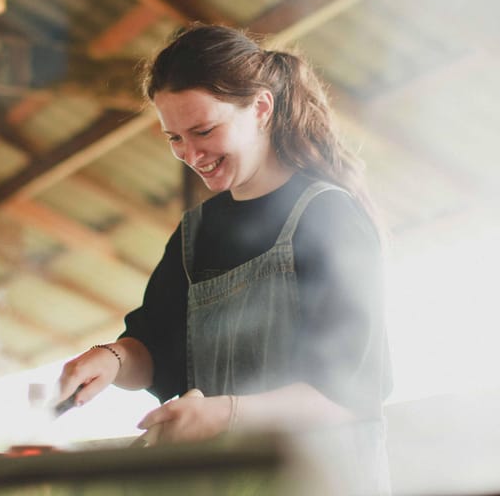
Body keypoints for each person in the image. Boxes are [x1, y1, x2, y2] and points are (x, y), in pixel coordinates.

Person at [56, 24, 391, 465]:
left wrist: (227, 414)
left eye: (204, 130)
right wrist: (112, 359)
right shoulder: (195, 233)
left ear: (261, 108)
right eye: (174, 138)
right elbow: (154, 346)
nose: (192, 155)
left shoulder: (329, 216)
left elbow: (350, 394)